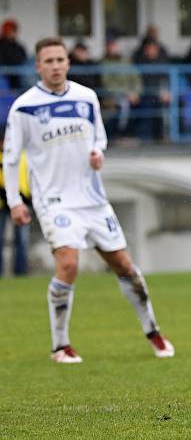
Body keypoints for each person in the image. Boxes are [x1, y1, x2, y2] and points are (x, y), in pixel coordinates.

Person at [3, 37, 174, 363]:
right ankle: (60, 345)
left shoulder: (86, 98)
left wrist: (98, 154)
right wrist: (14, 201)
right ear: (37, 66)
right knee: (68, 264)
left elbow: (99, 138)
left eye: (60, 60)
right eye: (48, 61)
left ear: (68, 63)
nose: (55, 66)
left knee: (125, 266)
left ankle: (152, 330)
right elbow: (11, 158)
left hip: (93, 200)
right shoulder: (24, 107)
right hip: (54, 201)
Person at [101, 38, 143, 140]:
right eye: (110, 46)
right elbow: (108, 84)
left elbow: (136, 78)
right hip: (114, 95)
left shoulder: (126, 61)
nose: (113, 48)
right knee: (124, 105)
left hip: (131, 95)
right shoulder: (104, 63)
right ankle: (121, 134)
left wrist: (136, 92)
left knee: (147, 103)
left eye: (114, 45)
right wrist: (127, 93)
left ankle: (133, 134)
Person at [0, 148, 31, 277]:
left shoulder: (24, 154)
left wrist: (27, 199)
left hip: (22, 203)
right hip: (2, 203)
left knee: (22, 240)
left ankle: (21, 272)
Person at [0, 19, 28, 91]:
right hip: (4, 74)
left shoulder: (17, 45)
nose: (11, 33)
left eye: (13, 30)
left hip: (17, 74)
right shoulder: (2, 44)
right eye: (9, 30)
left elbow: (23, 56)